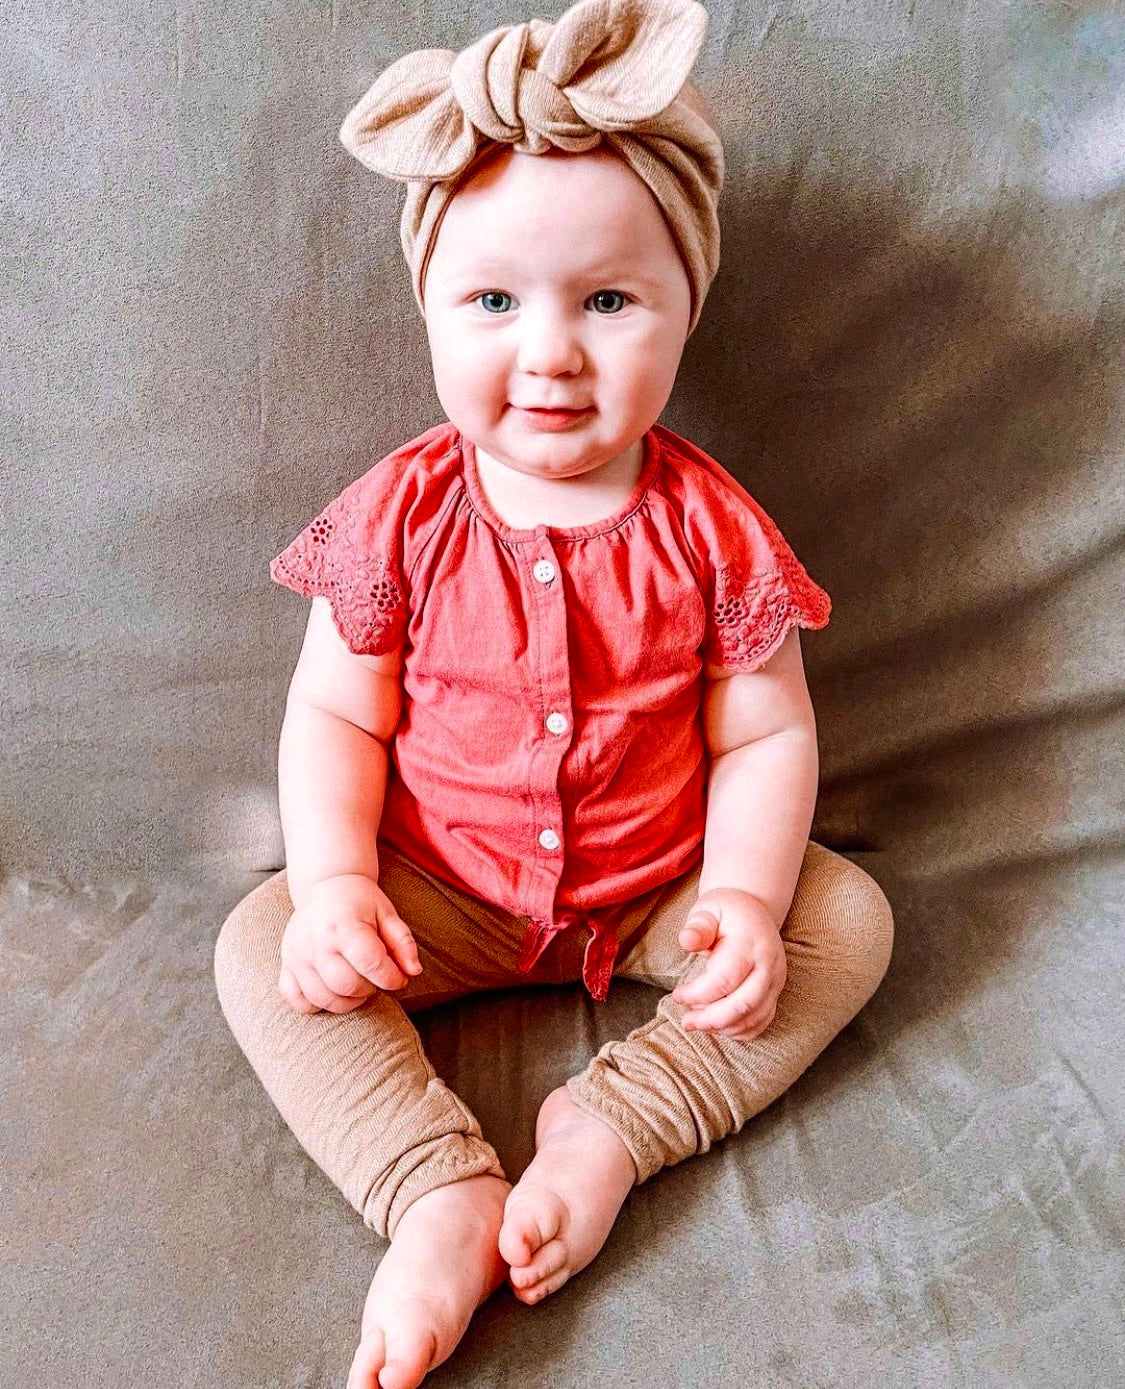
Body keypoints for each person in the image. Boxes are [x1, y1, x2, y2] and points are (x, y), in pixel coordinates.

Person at [213, 2, 895, 1387]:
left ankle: (617, 1125)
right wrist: (340, 885)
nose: (550, 352)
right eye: (492, 301)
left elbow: (763, 730)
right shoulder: (399, 517)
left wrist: (743, 903)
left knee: (847, 920)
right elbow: (336, 716)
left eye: (605, 300)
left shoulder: (713, 532)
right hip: (437, 888)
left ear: (682, 308)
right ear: (429, 309)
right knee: (259, 944)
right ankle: (432, 1187)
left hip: (656, 891)